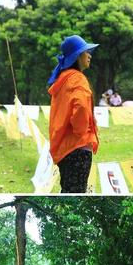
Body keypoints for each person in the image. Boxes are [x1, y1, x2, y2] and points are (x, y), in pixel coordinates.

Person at [47, 34, 100, 193]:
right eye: (86, 51)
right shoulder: (77, 79)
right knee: (76, 192)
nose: (89, 55)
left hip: (65, 147)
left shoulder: (63, 78)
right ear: (77, 56)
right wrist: (81, 131)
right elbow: (81, 107)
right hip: (77, 147)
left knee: (68, 190)